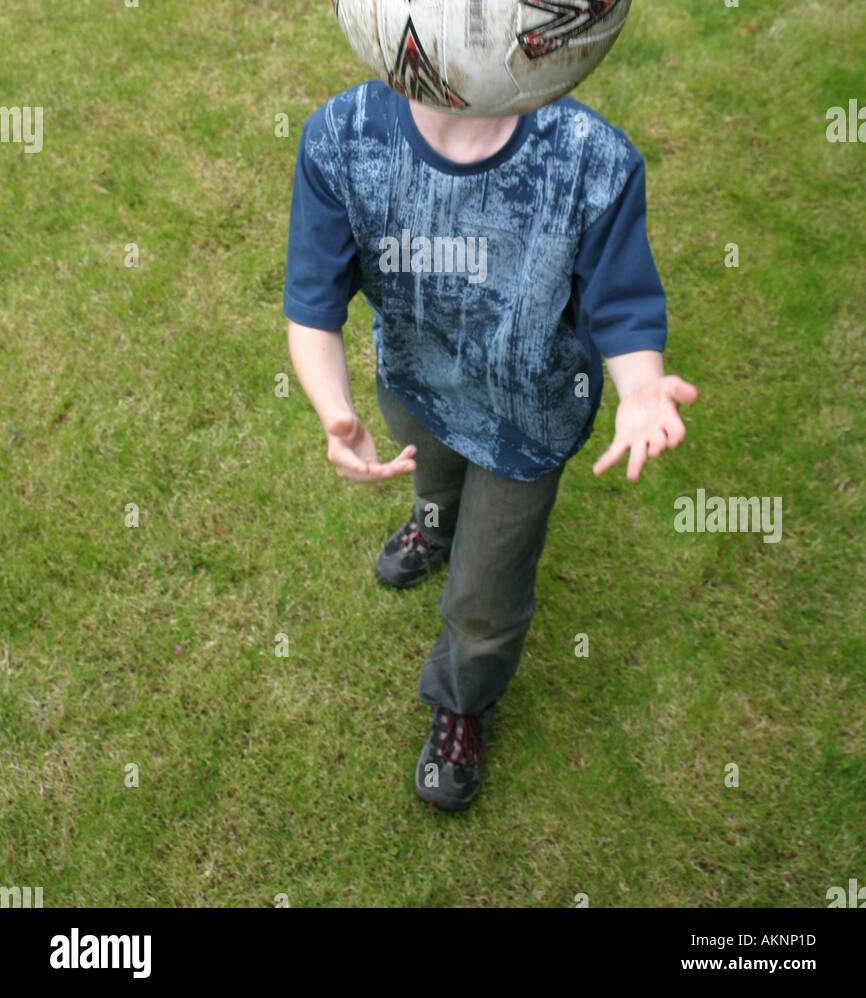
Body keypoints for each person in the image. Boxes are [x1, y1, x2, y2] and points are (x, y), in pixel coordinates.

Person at [284, 78, 697, 810]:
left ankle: (465, 699)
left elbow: (624, 304)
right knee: (435, 486)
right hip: (416, 387)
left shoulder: (589, 157)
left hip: (528, 421)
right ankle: (433, 527)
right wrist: (334, 410)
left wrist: (640, 388)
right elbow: (313, 297)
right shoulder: (343, 136)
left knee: (485, 596)